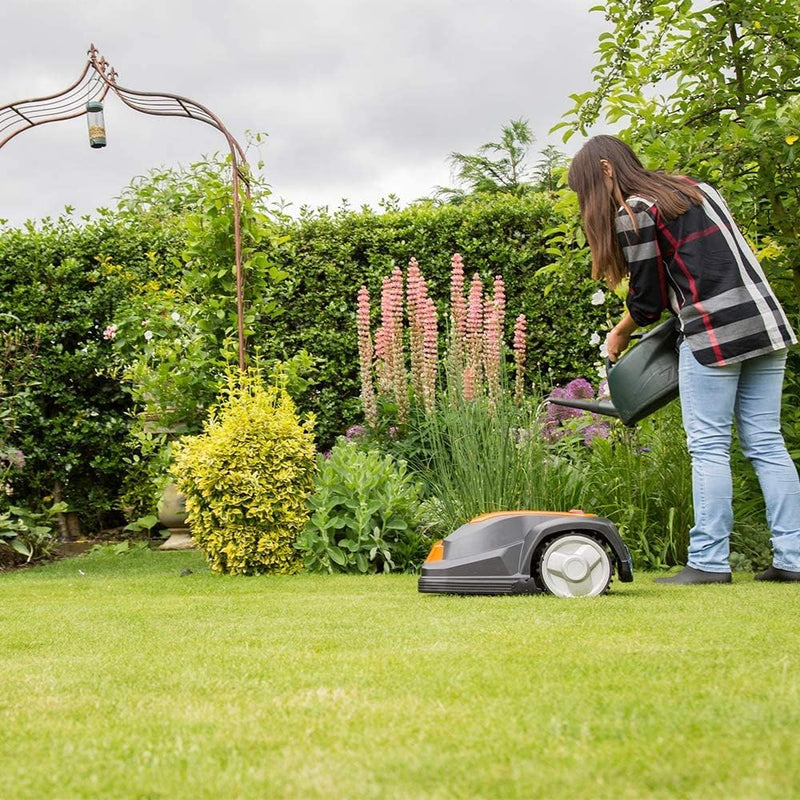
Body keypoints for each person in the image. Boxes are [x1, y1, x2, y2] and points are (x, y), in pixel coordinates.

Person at [567, 134, 800, 584]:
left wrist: (619, 332)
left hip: (713, 335)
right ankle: (793, 559)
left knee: (709, 446)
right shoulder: (696, 189)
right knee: (767, 444)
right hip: (766, 325)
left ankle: (709, 563)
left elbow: (647, 300)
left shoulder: (636, 210)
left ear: (606, 169)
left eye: (588, 188)